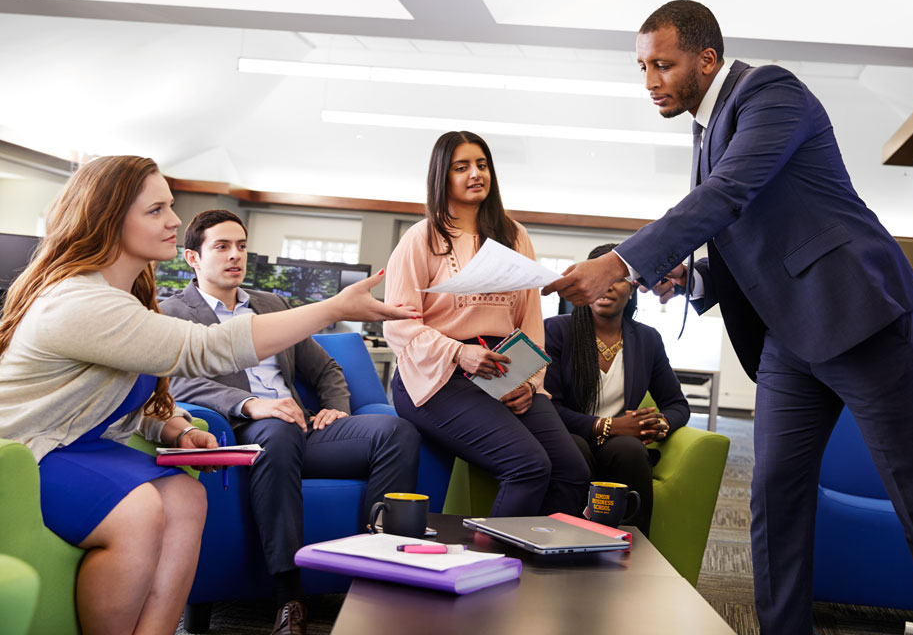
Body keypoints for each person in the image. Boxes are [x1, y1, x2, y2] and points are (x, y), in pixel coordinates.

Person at [543, 1, 913, 635]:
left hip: (859, 318)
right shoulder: (705, 130)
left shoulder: (771, 93)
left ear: (707, 59)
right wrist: (690, 275)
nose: (650, 81)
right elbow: (747, 238)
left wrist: (622, 260)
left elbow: (728, 194)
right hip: (789, 339)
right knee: (774, 497)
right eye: (642, 66)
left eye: (663, 65)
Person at [0, 155, 419, 635]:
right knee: (140, 511)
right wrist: (332, 309)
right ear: (111, 221)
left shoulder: (124, 297)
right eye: (156, 210)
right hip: (28, 452)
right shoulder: (82, 302)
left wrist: (173, 427)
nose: (174, 220)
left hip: (77, 443)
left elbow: (117, 400)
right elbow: (204, 350)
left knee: (186, 496)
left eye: (170, 207)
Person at [160, 210, 422, 635]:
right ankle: (289, 596)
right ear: (192, 257)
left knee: (397, 431)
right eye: (222, 247)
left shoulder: (272, 305)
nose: (235, 256)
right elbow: (180, 382)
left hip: (303, 432)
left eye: (241, 246)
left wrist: (337, 405)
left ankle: (376, 574)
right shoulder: (172, 312)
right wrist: (249, 404)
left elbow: (326, 370)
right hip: (245, 432)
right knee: (277, 431)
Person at [383, 131, 588, 517]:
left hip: (503, 371)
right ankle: (487, 568)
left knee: (572, 470)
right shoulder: (421, 238)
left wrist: (528, 383)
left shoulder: (513, 235)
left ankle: (537, 567)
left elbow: (529, 321)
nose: (476, 174)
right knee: (528, 466)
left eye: (482, 165)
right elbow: (397, 325)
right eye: (462, 167)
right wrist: (459, 353)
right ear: (443, 176)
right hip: (436, 377)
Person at [543, 243, 690, 536]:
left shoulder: (647, 340)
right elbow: (548, 408)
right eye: (598, 279)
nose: (607, 288)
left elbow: (677, 404)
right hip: (568, 434)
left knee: (631, 450)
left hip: (619, 443)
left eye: (617, 280)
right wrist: (606, 425)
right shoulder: (556, 330)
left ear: (633, 287)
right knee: (575, 448)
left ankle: (632, 548)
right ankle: (564, 544)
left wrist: (658, 425)